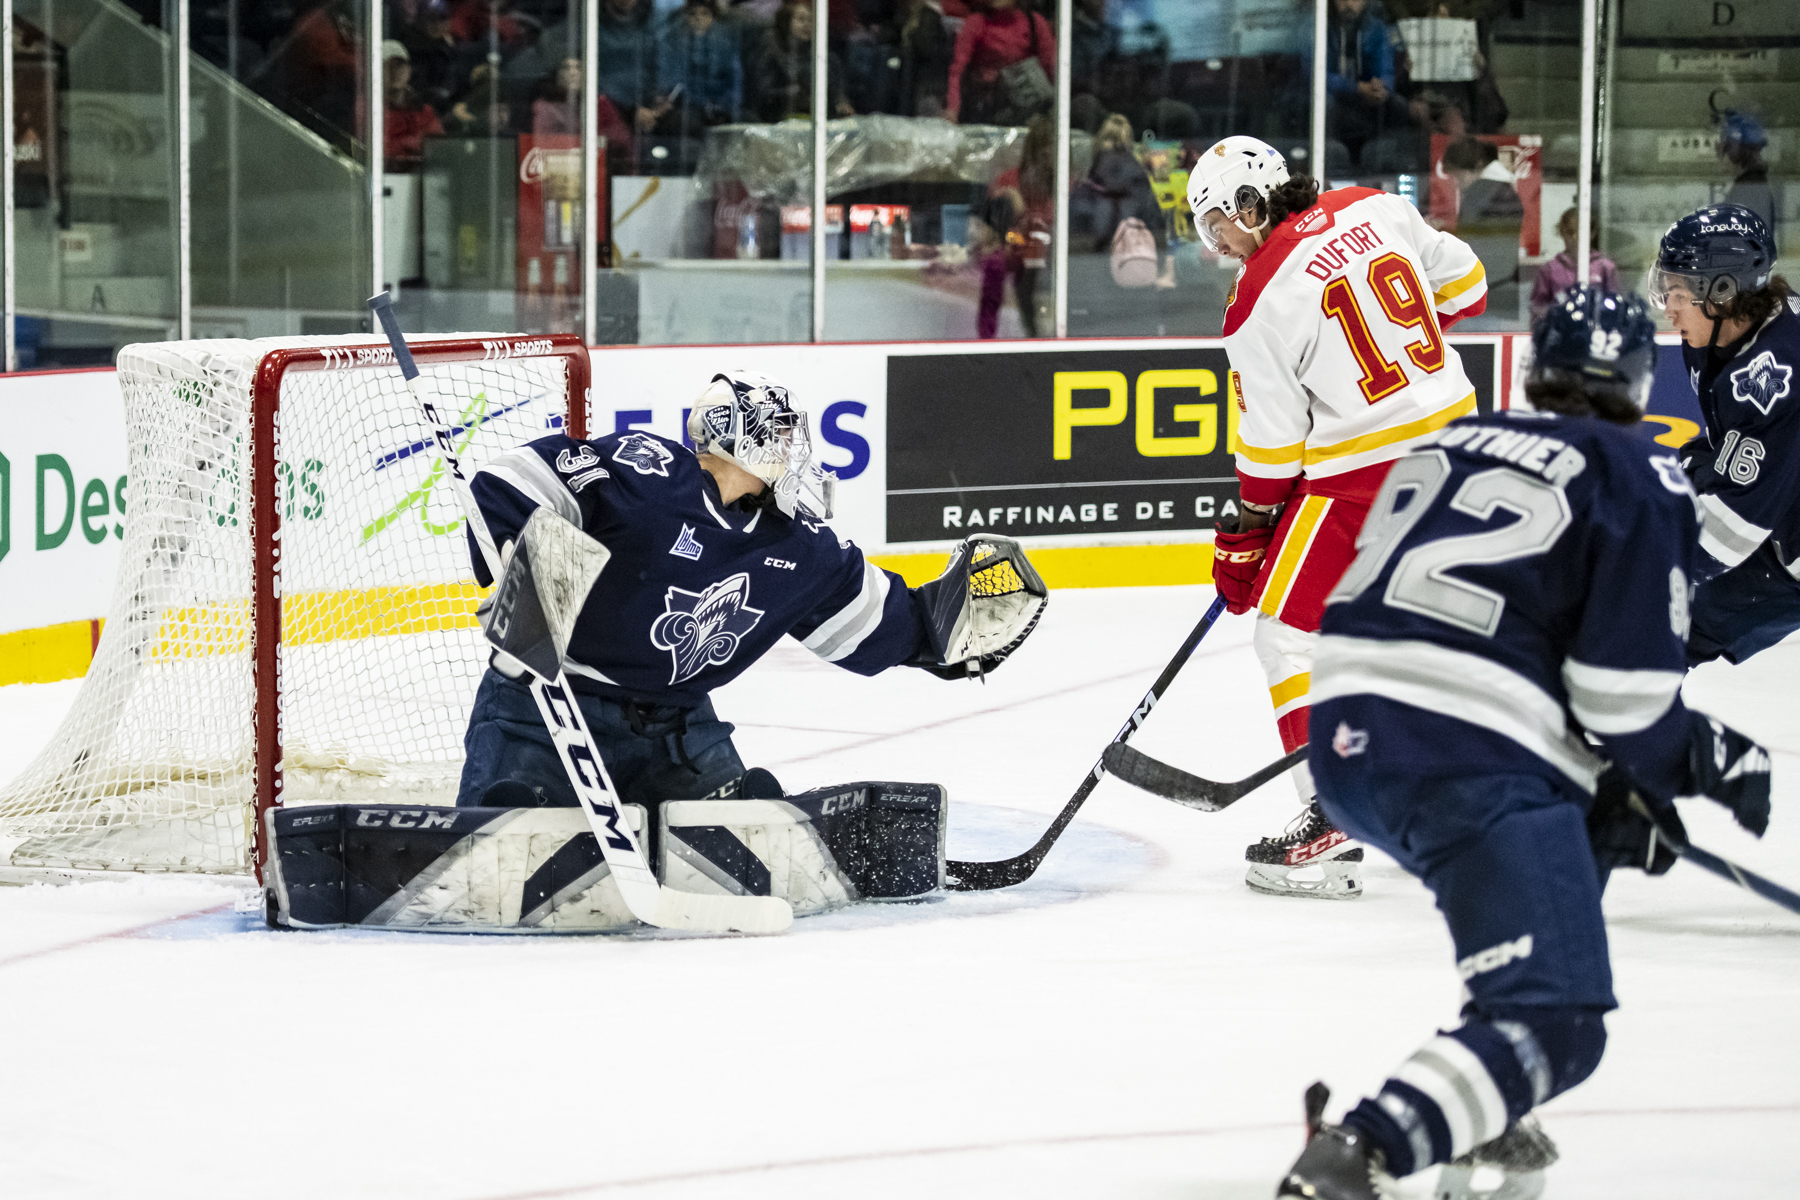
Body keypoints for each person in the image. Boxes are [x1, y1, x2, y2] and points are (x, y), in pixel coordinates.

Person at [1276, 285, 1772, 1198]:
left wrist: (1598, 786)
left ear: (1539, 368)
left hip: (1341, 745)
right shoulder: (1640, 470)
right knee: (1559, 1021)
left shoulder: (1448, 443)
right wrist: (1709, 759)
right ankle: (1356, 1156)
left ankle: (1484, 1108)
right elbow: (1624, 701)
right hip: (1464, 762)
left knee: (1580, 834)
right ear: (1639, 379)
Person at [456, 371, 1046, 827]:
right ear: (740, 436)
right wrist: (519, 565)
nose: (793, 453)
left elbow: (880, 622)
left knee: (756, 837)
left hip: (677, 731)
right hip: (545, 712)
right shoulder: (649, 471)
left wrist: (948, 632)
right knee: (503, 847)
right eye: (781, 436)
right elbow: (510, 480)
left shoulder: (801, 546)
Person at [1188, 135, 1488, 899]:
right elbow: (1469, 286)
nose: (1218, 246)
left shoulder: (1255, 300)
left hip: (1369, 474)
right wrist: (1388, 355)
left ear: (1248, 206)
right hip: (1461, 446)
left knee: (1287, 636)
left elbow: (1272, 449)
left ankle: (1332, 814)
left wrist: (1247, 536)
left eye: (1217, 225)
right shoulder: (1372, 206)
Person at [1648, 203, 1800, 666]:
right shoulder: (1717, 334)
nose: (1668, 308)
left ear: (1723, 292)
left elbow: (1731, 531)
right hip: (1777, 498)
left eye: (1678, 292)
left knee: (1659, 624)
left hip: (1786, 547)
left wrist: (1639, 572)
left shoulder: (1778, 377)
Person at [944, 0, 1055, 126]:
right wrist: (952, 108)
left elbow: (1052, 67)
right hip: (987, 110)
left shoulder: (1034, 22)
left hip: (1030, 110)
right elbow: (957, 70)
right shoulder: (977, 22)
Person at [646, 0, 745, 134]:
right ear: (686, 16)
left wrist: (722, 106)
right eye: (693, 14)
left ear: (712, 17)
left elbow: (734, 83)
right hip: (687, 109)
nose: (699, 18)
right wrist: (703, 105)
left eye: (705, 13)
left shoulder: (725, 44)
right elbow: (673, 84)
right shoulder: (672, 42)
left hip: (722, 108)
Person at [754, 1, 851, 121]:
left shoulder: (827, 58)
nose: (806, 24)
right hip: (780, 119)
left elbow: (837, 92)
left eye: (810, 20)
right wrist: (792, 93)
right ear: (786, 22)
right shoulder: (772, 54)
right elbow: (765, 94)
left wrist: (841, 102)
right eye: (801, 19)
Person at [1529, 205, 1618, 323]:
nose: (1575, 237)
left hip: (1596, 330)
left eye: (1582, 232)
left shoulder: (1605, 267)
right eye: (1570, 232)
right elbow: (1538, 309)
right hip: (1560, 330)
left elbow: (1616, 306)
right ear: (1562, 233)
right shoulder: (1549, 269)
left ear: (1592, 233)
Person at [372, 40, 444, 171]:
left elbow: (439, 148)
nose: (395, 72)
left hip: (424, 176)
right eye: (388, 67)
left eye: (400, 66)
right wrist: (413, 143)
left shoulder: (424, 110)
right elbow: (375, 151)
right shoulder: (370, 110)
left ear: (408, 71)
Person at [1717, 110, 1780, 240]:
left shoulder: (1750, 190)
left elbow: (1735, 242)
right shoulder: (1753, 185)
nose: (1721, 152)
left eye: (1727, 145)